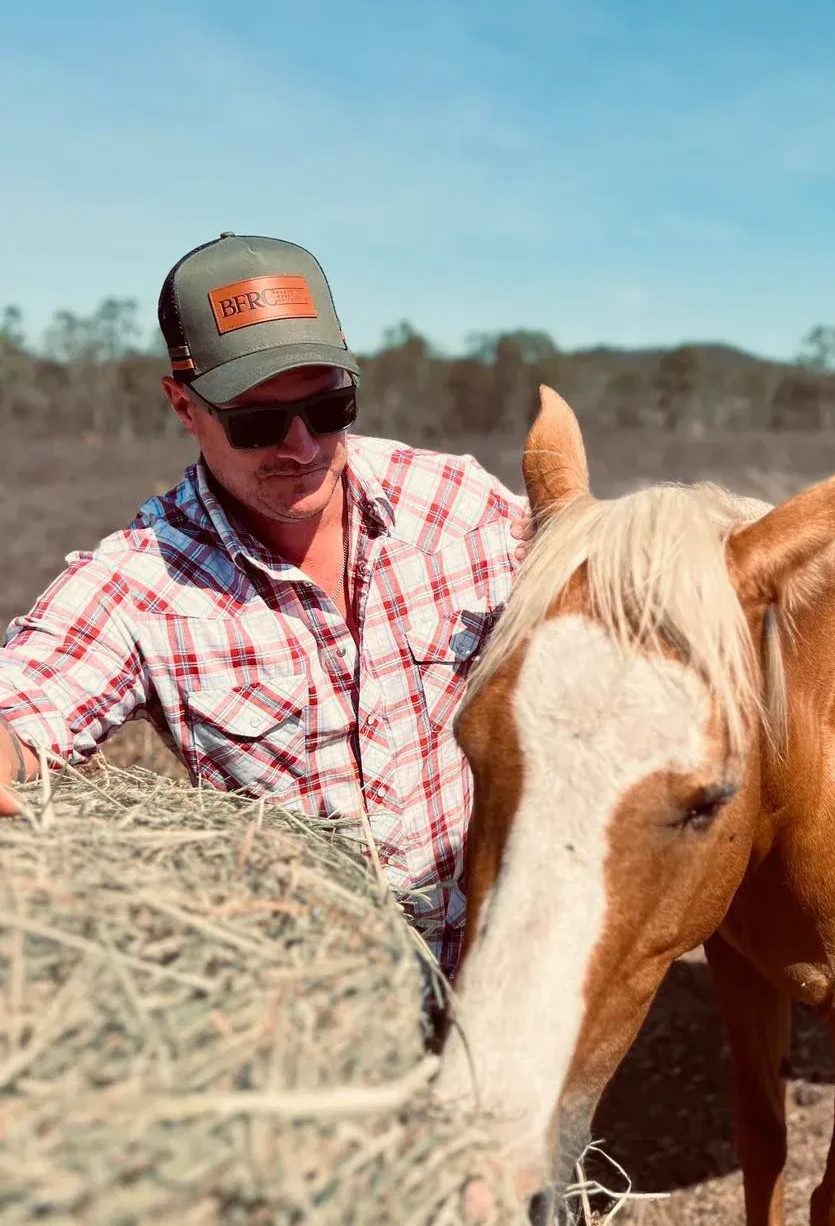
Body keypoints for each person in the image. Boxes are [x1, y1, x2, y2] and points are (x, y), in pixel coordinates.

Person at [0, 232, 531, 976]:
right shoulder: (141, 583)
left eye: (328, 406)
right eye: (256, 422)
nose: (303, 447)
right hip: (321, 1000)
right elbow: (27, 698)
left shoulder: (463, 507)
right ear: (184, 406)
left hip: (502, 968)